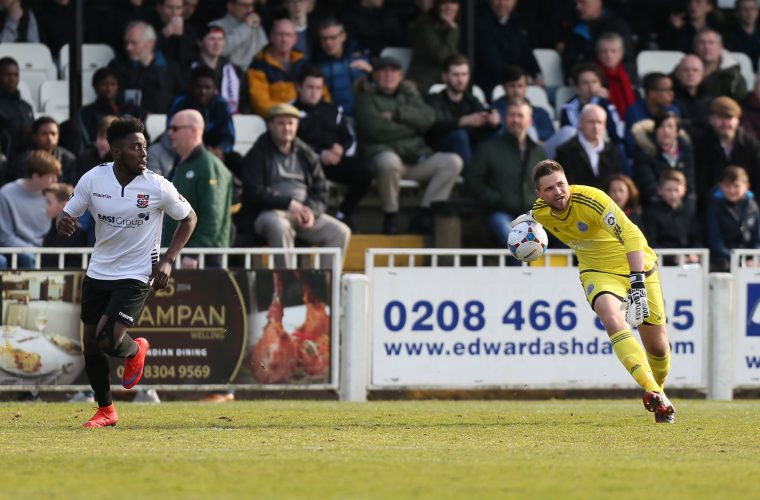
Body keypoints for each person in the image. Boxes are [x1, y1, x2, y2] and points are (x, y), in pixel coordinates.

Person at [57, 117, 197, 428]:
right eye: (136, 147)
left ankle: (136, 348)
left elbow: (189, 219)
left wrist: (169, 259)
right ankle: (106, 410)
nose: (144, 153)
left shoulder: (158, 186)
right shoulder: (93, 179)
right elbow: (68, 213)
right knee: (91, 344)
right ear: (117, 152)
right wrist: (63, 222)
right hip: (99, 271)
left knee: (107, 340)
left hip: (137, 273)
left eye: (145, 146)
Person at [515, 159, 676, 423]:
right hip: (597, 273)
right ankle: (652, 391)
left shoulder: (592, 200)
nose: (558, 192)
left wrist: (637, 282)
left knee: (658, 349)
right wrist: (521, 230)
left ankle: (658, 393)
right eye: (550, 189)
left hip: (639, 269)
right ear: (539, 194)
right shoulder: (540, 211)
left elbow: (632, 234)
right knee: (610, 315)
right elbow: (531, 221)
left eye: (561, 184)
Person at [354, 56, 463, 235]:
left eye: (393, 71)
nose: (388, 75)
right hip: (387, 159)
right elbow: (373, 129)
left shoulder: (409, 94)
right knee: (389, 161)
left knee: (453, 161)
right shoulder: (365, 97)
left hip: (415, 158)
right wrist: (412, 128)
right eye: (383, 71)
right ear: (374, 75)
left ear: (401, 75)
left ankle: (425, 213)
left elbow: (428, 119)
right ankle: (391, 216)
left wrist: (397, 114)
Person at [238, 103, 351, 268]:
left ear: (297, 125)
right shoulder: (257, 153)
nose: (287, 128)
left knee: (340, 232)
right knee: (279, 227)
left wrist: (311, 211)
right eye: (281, 123)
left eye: (291, 123)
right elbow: (255, 191)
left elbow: (321, 188)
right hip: (267, 213)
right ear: (270, 125)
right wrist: (289, 203)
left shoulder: (306, 152)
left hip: (303, 212)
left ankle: (328, 287)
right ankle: (287, 282)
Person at [293, 66, 372, 230]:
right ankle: (309, 218)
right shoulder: (291, 111)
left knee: (366, 170)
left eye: (318, 88)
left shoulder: (334, 110)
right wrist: (318, 154)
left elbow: (349, 138)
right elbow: (290, 143)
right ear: (299, 87)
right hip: (304, 165)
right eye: (309, 87)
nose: (314, 92)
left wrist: (341, 150)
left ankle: (344, 214)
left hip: (334, 162)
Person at [464, 98, 545, 249]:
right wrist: (496, 199)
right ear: (504, 118)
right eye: (511, 115)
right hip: (500, 213)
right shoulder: (488, 148)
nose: (515, 120)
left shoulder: (539, 152)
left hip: (533, 216)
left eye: (520, 116)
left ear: (530, 121)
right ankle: (523, 271)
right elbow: (472, 182)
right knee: (510, 236)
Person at [163, 109, 232, 268]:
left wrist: (194, 252)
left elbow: (212, 215)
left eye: (175, 128)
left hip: (201, 262)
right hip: (178, 257)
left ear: (193, 130)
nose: (169, 133)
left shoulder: (209, 165)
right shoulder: (181, 164)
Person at [424, 54, 500, 170]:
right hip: (440, 152)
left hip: (468, 150)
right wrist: (462, 121)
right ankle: (472, 179)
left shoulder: (471, 100)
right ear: (445, 77)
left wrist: (493, 124)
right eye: (456, 75)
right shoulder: (434, 100)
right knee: (460, 135)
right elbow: (433, 126)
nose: (460, 80)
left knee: (496, 134)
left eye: (464, 74)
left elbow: (483, 128)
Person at [247, 18, 327, 117]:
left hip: (309, 118)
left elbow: (323, 94)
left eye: (288, 35)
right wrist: (291, 113)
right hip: (277, 121)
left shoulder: (304, 63)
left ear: (295, 39)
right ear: (271, 37)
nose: (284, 39)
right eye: (280, 35)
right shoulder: (258, 66)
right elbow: (261, 104)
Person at [695, 96, 760, 207]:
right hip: (713, 205)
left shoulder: (751, 145)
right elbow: (700, 182)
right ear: (711, 119)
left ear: (738, 120)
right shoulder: (702, 144)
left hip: (747, 204)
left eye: (729, 118)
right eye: (720, 117)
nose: (724, 123)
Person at [0, 150, 60, 268]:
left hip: (45, 249)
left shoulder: (53, 195)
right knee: (28, 258)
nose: (55, 181)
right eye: (51, 177)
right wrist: (31, 250)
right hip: (15, 251)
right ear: (35, 177)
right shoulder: (6, 194)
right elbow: (5, 236)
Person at [473, 0, 541, 98]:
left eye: (507, 0)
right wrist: (518, 79)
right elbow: (491, 60)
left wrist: (536, 75)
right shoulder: (480, 22)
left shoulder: (516, 20)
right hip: (491, 85)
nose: (502, 4)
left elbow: (526, 52)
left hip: (516, 82)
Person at [107, 21, 179, 114]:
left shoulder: (169, 67)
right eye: (126, 43)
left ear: (150, 43)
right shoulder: (117, 66)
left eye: (134, 43)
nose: (128, 48)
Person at [166, 65, 236, 161]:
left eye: (208, 88)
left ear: (214, 89)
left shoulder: (221, 105)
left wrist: (219, 150)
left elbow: (228, 136)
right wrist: (199, 153)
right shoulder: (180, 102)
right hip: (184, 153)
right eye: (198, 87)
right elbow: (172, 131)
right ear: (191, 86)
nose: (203, 91)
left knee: (237, 160)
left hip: (216, 154)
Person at [631, 111, 696, 205]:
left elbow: (690, 184)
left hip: (683, 206)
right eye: (661, 126)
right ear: (655, 130)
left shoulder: (686, 150)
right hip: (655, 207)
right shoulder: (644, 152)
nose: (666, 130)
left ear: (677, 131)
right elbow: (648, 186)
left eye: (670, 126)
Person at [561, 0, 635, 79]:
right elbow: (569, 63)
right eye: (576, 3)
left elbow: (626, 59)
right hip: (582, 83)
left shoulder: (618, 26)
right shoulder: (575, 29)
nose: (577, 7)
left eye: (583, 2)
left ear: (598, 2)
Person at [312, 17, 371, 117]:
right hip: (338, 118)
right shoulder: (316, 65)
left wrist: (372, 72)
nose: (328, 43)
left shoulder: (361, 55)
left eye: (333, 37)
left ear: (343, 36)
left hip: (369, 114)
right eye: (324, 39)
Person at [705, 165, 760, 272]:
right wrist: (737, 259)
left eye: (736, 186)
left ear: (746, 186)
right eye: (727, 186)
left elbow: (757, 238)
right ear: (721, 186)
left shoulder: (753, 206)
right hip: (723, 260)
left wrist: (755, 257)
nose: (731, 190)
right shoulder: (714, 206)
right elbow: (715, 240)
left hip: (748, 260)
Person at [555, 104, 623, 190]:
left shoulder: (613, 151)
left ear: (605, 125)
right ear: (580, 123)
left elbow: (620, 180)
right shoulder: (565, 152)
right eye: (591, 122)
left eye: (599, 122)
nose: (596, 127)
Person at [642, 169, 701, 265]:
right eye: (669, 190)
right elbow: (650, 243)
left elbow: (697, 239)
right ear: (660, 190)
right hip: (661, 264)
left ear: (684, 190)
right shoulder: (651, 213)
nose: (673, 194)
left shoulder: (689, 212)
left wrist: (694, 253)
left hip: (689, 262)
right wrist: (672, 258)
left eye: (676, 190)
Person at [560, 63, 624, 148]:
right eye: (585, 83)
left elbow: (617, 135)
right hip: (579, 152)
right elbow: (572, 138)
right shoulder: (568, 108)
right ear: (576, 88)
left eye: (594, 82)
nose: (591, 87)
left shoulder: (607, 105)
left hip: (607, 149)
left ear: (600, 84)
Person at [79, 67, 147, 148]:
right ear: (95, 86)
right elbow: (88, 141)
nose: (109, 88)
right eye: (104, 84)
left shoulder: (131, 110)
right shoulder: (87, 112)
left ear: (118, 87)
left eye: (113, 84)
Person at [192, 23, 248, 114]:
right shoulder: (188, 69)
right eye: (212, 39)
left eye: (220, 39)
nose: (217, 44)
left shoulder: (235, 71)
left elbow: (244, 98)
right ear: (200, 42)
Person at [406, 0, 460, 94]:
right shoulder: (424, 25)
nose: (449, 7)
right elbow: (442, 56)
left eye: (453, 3)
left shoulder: (461, 26)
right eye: (444, 3)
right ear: (437, 6)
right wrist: (453, 30)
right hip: (424, 83)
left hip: (448, 82)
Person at [492, 65, 555, 142]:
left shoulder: (540, 112)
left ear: (526, 87)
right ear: (504, 87)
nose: (516, 91)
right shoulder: (494, 113)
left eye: (520, 86)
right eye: (512, 86)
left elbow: (550, 134)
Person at [623, 73, 680, 157]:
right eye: (666, 90)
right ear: (651, 93)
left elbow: (680, 141)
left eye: (671, 89)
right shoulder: (634, 111)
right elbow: (630, 146)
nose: (671, 94)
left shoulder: (673, 110)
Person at [0, 56, 34, 182]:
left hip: (27, 157)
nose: (12, 78)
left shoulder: (26, 107)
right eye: (7, 74)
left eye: (15, 74)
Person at [15, 116, 77, 185]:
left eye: (53, 134)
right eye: (44, 134)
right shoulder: (24, 159)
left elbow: (71, 188)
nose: (49, 138)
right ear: (35, 137)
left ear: (58, 136)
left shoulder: (68, 159)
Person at [209, 0, 268, 70]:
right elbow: (220, 49)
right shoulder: (217, 26)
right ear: (230, 6)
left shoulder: (256, 27)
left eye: (252, 5)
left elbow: (266, 52)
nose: (250, 10)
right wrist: (246, 27)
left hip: (255, 75)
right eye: (244, 5)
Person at [694, 28, 747, 102]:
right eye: (702, 43)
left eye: (711, 43)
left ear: (720, 47)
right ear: (695, 47)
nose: (706, 47)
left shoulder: (734, 77)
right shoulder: (685, 69)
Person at [595, 32, 638, 120]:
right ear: (598, 54)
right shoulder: (593, 73)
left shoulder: (629, 72)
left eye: (613, 51)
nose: (609, 55)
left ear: (621, 53)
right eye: (604, 51)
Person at [341, 0, 406, 57]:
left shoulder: (388, 13)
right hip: (366, 61)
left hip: (395, 58)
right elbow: (353, 48)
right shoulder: (348, 17)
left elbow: (400, 43)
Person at [672, 54, 712, 142]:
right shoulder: (670, 97)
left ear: (703, 74)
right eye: (686, 70)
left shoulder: (710, 98)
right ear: (678, 73)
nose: (690, 73)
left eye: (695, 70)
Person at [725, 0, 760, 72]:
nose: (749, 12)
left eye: (752, 8)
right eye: (744, 9)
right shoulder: (729, 35)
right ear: (737, 13)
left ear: (757, 12)